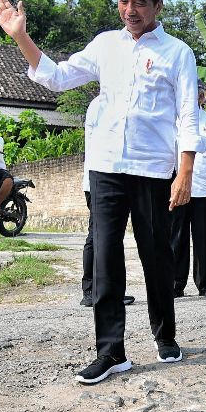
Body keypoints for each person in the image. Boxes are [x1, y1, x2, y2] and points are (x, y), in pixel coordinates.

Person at [0, 0, 200, 385]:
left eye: (140, 1)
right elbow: (58, 76)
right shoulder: (105, 45)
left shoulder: (178, 52)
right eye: (123, 0)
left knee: (156, 256)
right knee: (105, 256)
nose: (130, 9)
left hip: (153, 169)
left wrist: (186, 171)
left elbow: (187, 114)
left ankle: (165, 333)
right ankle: (111, 351)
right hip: (105, 167)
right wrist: (20, 36)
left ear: (157, 4)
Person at [170, 86, 206, 298]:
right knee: (177, 238)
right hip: (177, 190)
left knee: (204, 238)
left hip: (205, 189)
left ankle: (205, 283)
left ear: (202, 98)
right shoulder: (173, 121)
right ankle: (176, 284)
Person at [80, 96, 134, 308]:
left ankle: (109, 290)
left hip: (110, 180)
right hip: (100, 181)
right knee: (97, 236)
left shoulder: (111, 103)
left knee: (111, 238)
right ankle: (90, 290)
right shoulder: (100, 105)